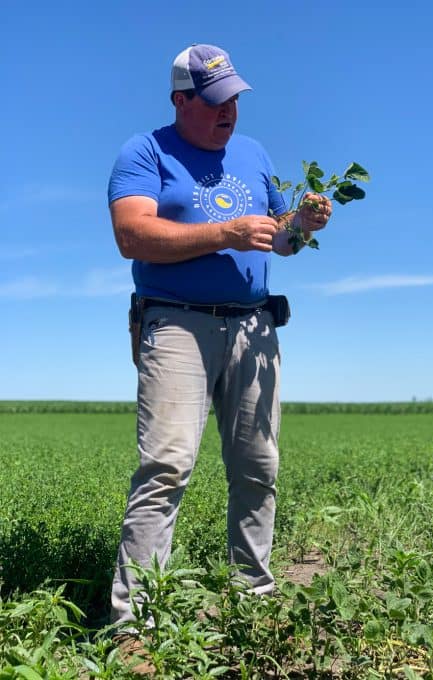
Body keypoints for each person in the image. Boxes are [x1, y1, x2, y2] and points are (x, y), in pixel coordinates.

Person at [108, 43, 332, 629]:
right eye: (214, 101)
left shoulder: (253, 154)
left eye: (233, 98)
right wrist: (224, 233)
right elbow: (132, 236)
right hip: (176, 320)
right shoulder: (145, 151)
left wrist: (300, 225)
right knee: (167, 466)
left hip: (255, 326)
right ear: (181, 100)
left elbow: (277, 242)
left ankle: (251, 593)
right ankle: (137, 621)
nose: (228, 111)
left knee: (259, 464)